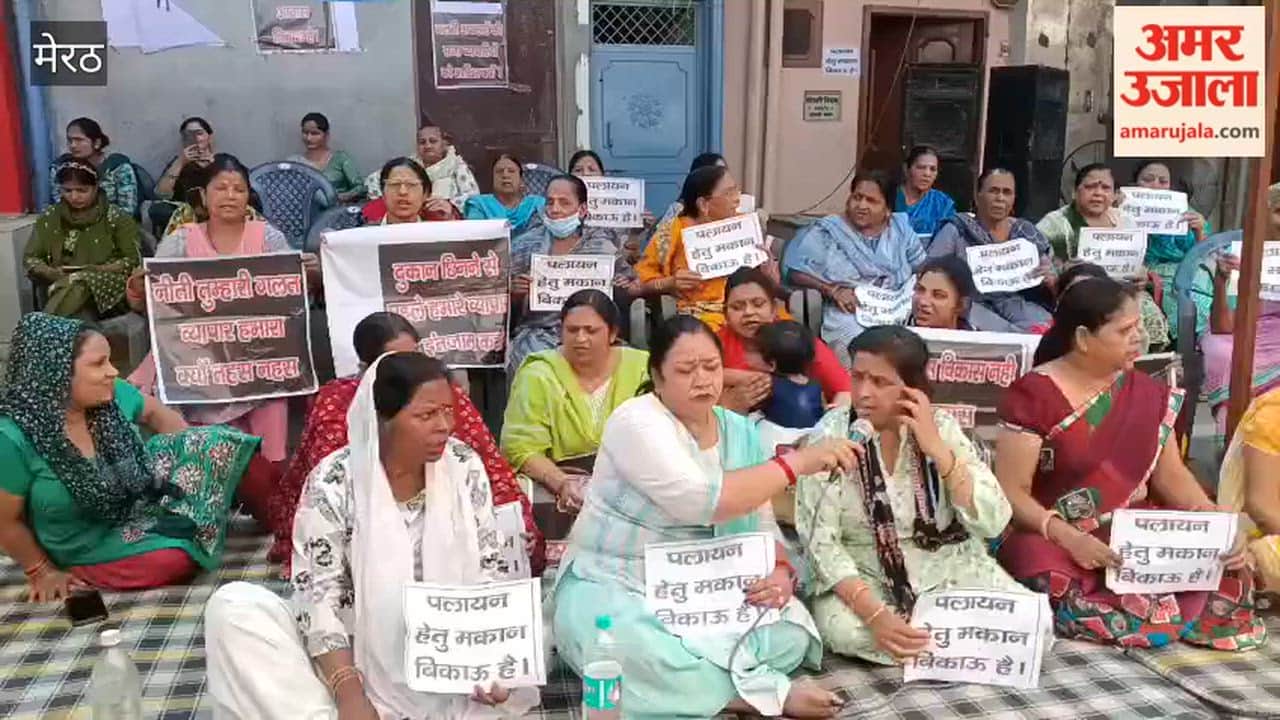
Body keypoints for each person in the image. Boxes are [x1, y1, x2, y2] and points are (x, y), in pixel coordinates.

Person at [551, 316, 859, 719]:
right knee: (614, 643)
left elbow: (760, 518)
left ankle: (696, 682)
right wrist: (797, 463)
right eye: (685, 370)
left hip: (709, 588)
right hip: (620, 580)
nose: (702, 380)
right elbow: (700, 501)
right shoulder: (636, 421)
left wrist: (781, 571)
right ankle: (757, 692)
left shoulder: (738, 430)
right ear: (657, 379)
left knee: (791, 635)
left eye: (712, 367)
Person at [205, 352, 539, 719]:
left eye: (448, 410)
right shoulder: (333, 481)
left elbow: (488, 571)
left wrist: (488, 662)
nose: (445, 425)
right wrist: (348, 691)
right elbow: (319, 594)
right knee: (234, 608)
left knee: (522, 652)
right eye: (426, 415)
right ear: (381, 419)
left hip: (449, 660)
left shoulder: (463, 465)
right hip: (354, 656)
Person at [993, 276, 1265, 649]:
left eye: (1138, 326)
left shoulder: (1146, 393)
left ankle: (1162, 610)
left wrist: (1214, 520)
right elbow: (1011, 491)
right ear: (1084, 338)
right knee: (1041, 568)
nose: (1139, 337)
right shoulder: (1034, 396)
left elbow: (1170, 477)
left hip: (1134, 536)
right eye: (1125, 330)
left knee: (1232, 571)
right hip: (1055, 535)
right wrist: (1072, 539)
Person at [797, 325, 1022, 663]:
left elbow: (994, 521)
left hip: (945, 564)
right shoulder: (830, 437)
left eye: (880, 382)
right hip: (864, 572)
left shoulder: (940, 427)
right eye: (857, 377)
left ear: (912, 389)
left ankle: (936, 643)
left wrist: (938, 451)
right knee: (845, 631)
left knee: (1029, 622)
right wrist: (876, 617)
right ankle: (955, 645)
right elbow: (821, 545)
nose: (863, 393)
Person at [0, 314, 265, 597]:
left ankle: (286, 528)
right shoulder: (12, 436)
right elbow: (5, 521)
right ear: (54, 372)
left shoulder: (112, 395)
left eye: (110, 360)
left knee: (228, 446)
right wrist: (40, 571)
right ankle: (97, 565)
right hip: (88, 543)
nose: (113, 371)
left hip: (140, 497)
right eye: (98, 364)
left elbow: (153, 412)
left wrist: (196, 449)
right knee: (170, 561)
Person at [271, 311, 543, 575]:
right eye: (425, 415)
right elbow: (324, 585)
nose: (444, 426)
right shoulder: (336, 466)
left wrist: (517, 530)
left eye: (416, 354)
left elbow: (494, 474)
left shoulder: (460, 455)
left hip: (453, 573)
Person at [131, 154, 317, 468]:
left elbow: (294, 292)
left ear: (248, 197)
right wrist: (140, 285)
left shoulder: (267, 238)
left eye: (238, 189)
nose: (230, 196)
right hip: (196, 356)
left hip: (256, 358)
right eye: (221, 188)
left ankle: (264, 483)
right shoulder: (181, 241)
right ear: (203, 196)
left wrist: (311, 271)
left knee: (272, 394)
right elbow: (149, 300)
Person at [501, 290, 649, 517]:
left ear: (612, 334)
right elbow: (520, 448)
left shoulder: (641, 368)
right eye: (572, 330)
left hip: (634, 482)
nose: (580, 338)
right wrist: (562, 483)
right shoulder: (538, 374)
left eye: (591, 331)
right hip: (558, 486)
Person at [784, 172, 926, 368]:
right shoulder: (828, 231)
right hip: (849, 311)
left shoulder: (900, 230)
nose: (861, 206)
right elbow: (796, 271)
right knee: (856, 343)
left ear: (887, 209)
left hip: (897, 312)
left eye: (872, 201)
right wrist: (833, 290)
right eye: (857, 197)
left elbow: (923, 268)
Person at [1038, 163, 1169, 351]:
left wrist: (1141, 277)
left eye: (1106, 188)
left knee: (1145, 316)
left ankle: (1136, 370)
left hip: (1122, 289)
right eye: (1091, 187)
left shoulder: (1125, 221)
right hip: (1077, 293)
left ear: (1115, 195)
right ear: (1075, 192)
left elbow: (1136, 263)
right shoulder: (1055, 224)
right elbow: (1040, 260)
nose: (1098, 193)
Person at [508, 174, 628, 374]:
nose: (555, 209)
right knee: (535, 368)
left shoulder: (601, 247)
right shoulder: (525, 245)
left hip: (592, 330)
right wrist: (515, 293)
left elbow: (631, 286)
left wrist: (622, 285)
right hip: (538, 332)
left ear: (582, 210)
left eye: (564, 203)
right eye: (550, 202)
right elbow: (498, 302)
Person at [636, 165, 770, 332]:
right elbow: (639, 282)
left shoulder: (745, 227)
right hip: (701, 317)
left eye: (736, 190)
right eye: (729, 193)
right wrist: (671, 283)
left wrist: (767, 271)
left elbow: (767, 283)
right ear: (703, 204)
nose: (737, 199)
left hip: (750, 311)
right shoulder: (673, 231)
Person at [1201, 182, 1280, 451]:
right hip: (1254, 330)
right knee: (1224, 353)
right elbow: (1223, 326)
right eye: (1279, 211)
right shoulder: (1245, 254)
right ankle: (1239, 446)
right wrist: (1223, 280)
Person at [928, 167, 1055, 332]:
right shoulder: (957, 229)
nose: (1000, 198)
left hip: (1015, 301)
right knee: (1000, 333)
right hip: (972, 303)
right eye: (993, 191)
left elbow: (1051, 274)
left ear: (1014, 199)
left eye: (1007, 192)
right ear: (977, 195)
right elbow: (931, 270)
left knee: (1045, 326)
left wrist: (1049, 277)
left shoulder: (1026, 232)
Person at [718, 267, 852, 413]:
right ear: (725, 315)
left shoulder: (795, 339)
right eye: (737, 307)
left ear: (774, 308)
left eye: (758, 304)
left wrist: (831, 422)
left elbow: (845, 390)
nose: (749, 313)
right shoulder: (713, 344)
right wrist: (727, 399)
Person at [26, 160, 140, 320]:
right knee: (79, 315)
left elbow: (133, 260)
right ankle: (50, 330)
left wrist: (98, 269)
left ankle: (43, 328)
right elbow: (31, 258)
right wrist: (50, 272)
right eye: (67, 190)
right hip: (59, 282)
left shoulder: (116, 217)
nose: (74, 196)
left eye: (82, 190)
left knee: (80, 282)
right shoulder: (50, 217)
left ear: (96, 187)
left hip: (109, 286)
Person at [1131, 160, 1212, 340]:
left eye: (1163, 181)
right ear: (1135, 183)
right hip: (1143, 274)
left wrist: (1199, 230)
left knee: (1199, 301)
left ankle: (1196, 345)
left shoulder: (1186, 214)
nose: (1156, 186)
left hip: (1187, 273)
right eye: (1148, 179)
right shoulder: (1123, 211)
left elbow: (1205, 254)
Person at [364, 119, 479, 214]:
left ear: (444, 144)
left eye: (433, 141)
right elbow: (372, 180)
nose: (427, 146)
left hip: (444, 219)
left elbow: (473, 197)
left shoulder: (456, 165)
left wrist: (449, 204)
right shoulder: (410, 165)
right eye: (422, 142)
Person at [48, 117, 140, 218]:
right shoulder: (60, 167)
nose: (73, 145)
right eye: (70, 140)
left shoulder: (117, 167)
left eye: (79, 140)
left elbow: (128, 210)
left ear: (97, 143)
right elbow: (58, 203)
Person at [758, 320, 825, 430]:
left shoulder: (768, 385)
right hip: (812, 438)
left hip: (777, 441)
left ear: (771, 364)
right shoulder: (816, 385)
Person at [288, 112, 364, 203]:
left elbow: (360, 187)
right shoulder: (295, 163)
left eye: (315, 133)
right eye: (305, 133)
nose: (309, 138)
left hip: (337, 212)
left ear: (326, 135)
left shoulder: (340, 159)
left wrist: (339, 197)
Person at [363, 156, 462, 224]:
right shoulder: (364, 234)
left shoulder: (436, 234)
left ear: (425, 194)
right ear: (383, 193)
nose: (403, 192)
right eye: (395, 184)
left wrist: (450, 223)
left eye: (411, 185)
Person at [464, 153, 546, 234]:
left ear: (521, 180)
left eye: (511, 171)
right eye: (499, 171)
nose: (505, 175)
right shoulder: (479, 205)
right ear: (493, 179)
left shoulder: (537, 204)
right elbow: (475, 235)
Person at [895, 145, 956, 238]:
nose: (927, 174)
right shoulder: (888, 197)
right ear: (906, 169)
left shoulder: (942, 203)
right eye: (921, 167)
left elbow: (950, 238)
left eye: (933, 169)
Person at [909, 256, 977, 331]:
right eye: (920, 290)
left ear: (960, 305)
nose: (923, 302)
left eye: (938, 295)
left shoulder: (981, 340)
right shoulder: (896, 337)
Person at [156, 116, 215, 201]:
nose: (195, 138)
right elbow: (161, 194)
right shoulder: (177, 163)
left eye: (199, 133)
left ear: (209, 137)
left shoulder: (221, 161)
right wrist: (180, 163)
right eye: (189, 134)